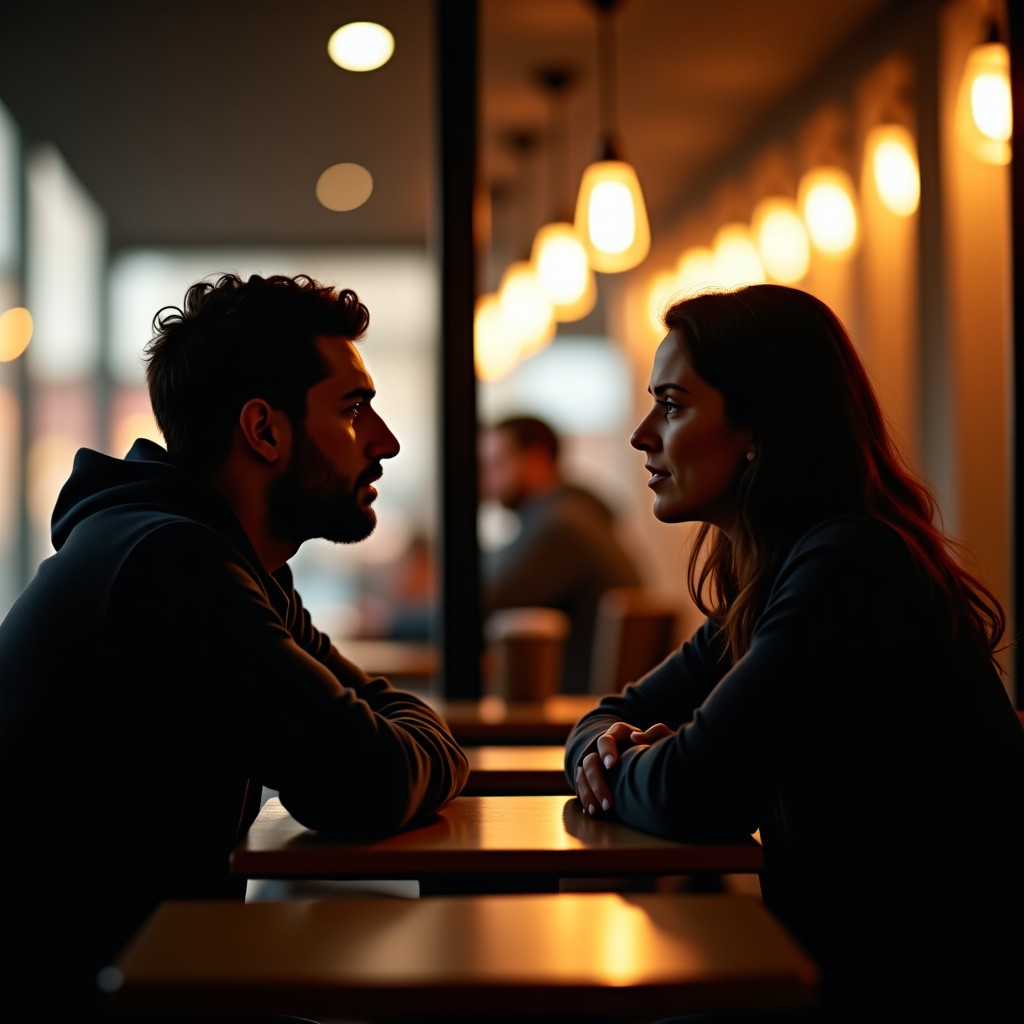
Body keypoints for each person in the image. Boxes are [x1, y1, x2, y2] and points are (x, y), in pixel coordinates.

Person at [0, 272, 469, 1023]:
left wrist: (408, 738)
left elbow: (369, 726)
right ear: (264, 430)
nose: (385, 442)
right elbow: (367, 777)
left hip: (155, 975)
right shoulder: (172, 566)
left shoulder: (221, 558)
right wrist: (422, 741)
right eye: (354, 410)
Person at [566, 284, 1023, 1023]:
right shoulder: (787, 571)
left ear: (761, 428)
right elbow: (614, 715)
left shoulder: (849, 566)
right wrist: (616, 748)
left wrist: (645, 760)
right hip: (848, 969)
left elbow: (695, 794)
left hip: (916, 993)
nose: (642, 433)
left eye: (674, 405)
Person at [479, 414, 644, 694]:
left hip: (573, 702)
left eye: (497, 464)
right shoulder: (569, 515)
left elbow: (479, 604)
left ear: (537, 459)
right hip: (583, 697)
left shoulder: (560, 528)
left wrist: (389, 621)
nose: (486, 479)